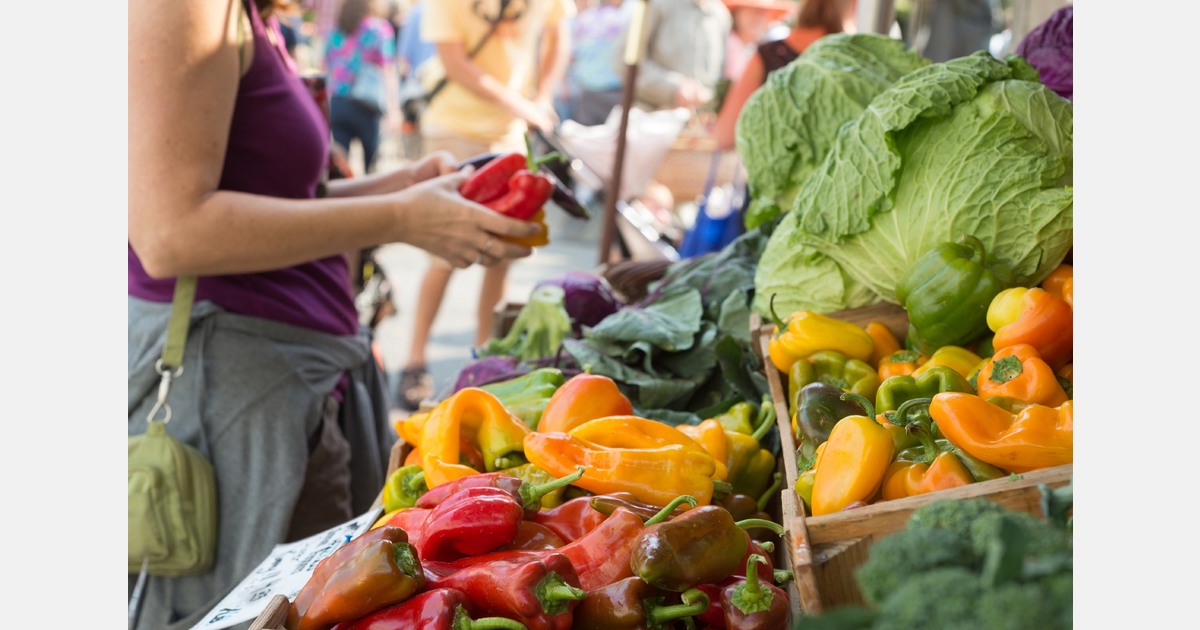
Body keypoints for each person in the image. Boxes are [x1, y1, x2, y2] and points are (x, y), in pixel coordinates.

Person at [128, 0, 541, 627]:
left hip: (289, 385)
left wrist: (404, 188)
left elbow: (283, 196)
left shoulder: (249, 16)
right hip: (230, 402)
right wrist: (401, 217)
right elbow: (170, 233)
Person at [395, 0, 575, 411]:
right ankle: (414, 362)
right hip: (453, 127)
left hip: (511, 134)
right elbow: (454, 61)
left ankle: (484, 361)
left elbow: (559, 35)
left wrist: (543, 95)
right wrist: (522, 105)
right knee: (442, 252)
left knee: (502, 251)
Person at [713, 0, 858, 151]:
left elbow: (724, 135)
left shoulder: (768, 54)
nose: (759, 18)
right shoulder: (856, 62)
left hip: (771, 164)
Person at [324, 0, 400, 174]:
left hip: (339, 102)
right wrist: (393, 108)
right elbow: (388, 70)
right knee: (372, 169)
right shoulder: (378, 29)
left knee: (340, 167)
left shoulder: (336, 31)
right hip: (367, 104)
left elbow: (327, 67)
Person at [617, 0, 731, 113]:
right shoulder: (658, 4)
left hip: (702, 119)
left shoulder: (721, 14)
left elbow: (718, 77)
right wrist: (673, 87)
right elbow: (623, 60)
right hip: (652, 115)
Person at [565, 0, 629, 126]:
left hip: (597, 90)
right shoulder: (623, 18)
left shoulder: (584, 18)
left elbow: (571, 54)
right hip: (602, 91)